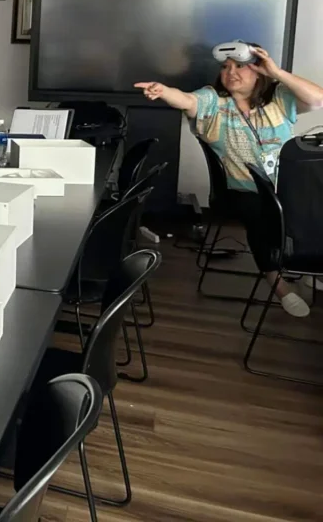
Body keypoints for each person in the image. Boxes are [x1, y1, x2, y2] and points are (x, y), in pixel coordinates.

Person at [135, 43, 323, 317]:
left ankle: (307, 266)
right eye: (225, 67)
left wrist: (277, 72)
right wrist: (164, 92)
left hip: (287, 187)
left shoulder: (279, 98)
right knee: (264, 211)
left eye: (239, 66)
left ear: (259, 71)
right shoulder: (214, 101)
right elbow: (188, 100)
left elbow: (318, 99)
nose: (230, 72)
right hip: (241, 191)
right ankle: (277, 281)